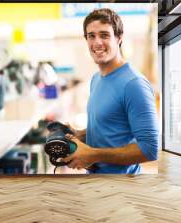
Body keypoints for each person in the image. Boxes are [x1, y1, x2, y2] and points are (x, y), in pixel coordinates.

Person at [63, 8, 159, 174]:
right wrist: (82, 135)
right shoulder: (96, 79)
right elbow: (113, 124)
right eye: (91, 36)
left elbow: (150, 149)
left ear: (119, 38)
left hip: (122, 188)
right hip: (95, 182)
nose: (97, 42)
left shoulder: (134, 84)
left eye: (104, 35)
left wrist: (93, 155)